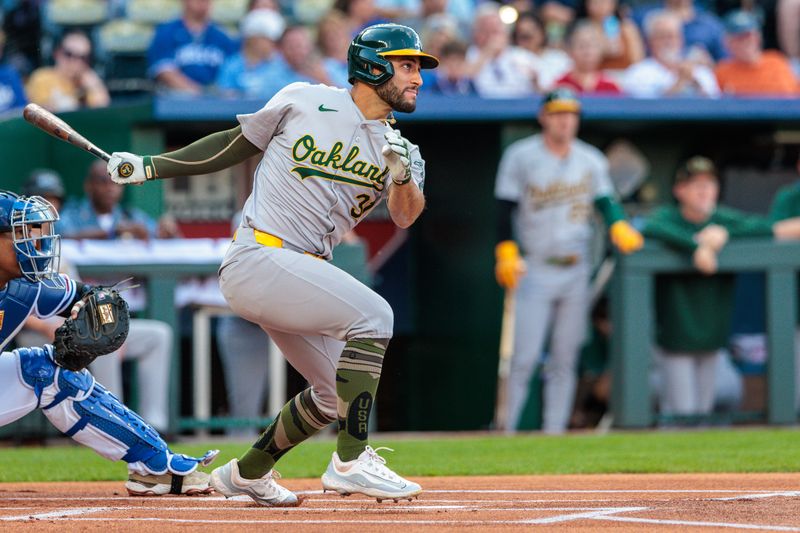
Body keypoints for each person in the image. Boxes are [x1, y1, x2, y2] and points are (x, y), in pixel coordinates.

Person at [105, 23, 437, 506]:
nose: (418, 78)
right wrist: (151, 165)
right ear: (373, 65)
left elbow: (407, 215)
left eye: (418, 68)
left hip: (300, 272)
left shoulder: (402, 148)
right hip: (260, 254)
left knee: (329, 397)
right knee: (376, 316)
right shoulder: (306, 99)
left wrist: (403, 175)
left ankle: (247, 473)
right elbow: (231, 144)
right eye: (407, 65)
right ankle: (352, 461)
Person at [0, 190, 218, 496]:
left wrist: (89, 310)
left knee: (48, 372)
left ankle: (154, 466)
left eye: (35, 234)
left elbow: (93, 296)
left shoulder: (27, 288)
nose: (35, 245)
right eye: (20, 235)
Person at [493, 87, 644, 434]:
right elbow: (505, 207)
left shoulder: (590, 159)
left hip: (576, 270)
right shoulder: (521, 155)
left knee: (565, 358)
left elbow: (606, 201)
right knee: (524, 359)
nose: (565, 121)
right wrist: (506, 248)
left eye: (571, 114)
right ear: (544, 117)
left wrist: (618, 224)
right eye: (558, 114)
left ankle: (554, 433)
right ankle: (505, 432)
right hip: (535, 266)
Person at [643, 156, 800, 418]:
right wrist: (697, 247)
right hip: (674, 338)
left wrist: (725, 234)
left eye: (709, 184)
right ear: (679, 190)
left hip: (712, 337)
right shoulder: (668, 217)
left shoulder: (723, 220)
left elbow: (765, 228)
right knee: (681, 412)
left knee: (704, 412)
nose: (704, 190)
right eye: (695, 185)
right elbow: (650, 226)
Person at [19, 168, 174, 433]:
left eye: (52, 201)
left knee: (156, 334)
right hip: (39, 334)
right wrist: (49, 327)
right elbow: (13, 304)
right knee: (100, 343)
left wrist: (109, 330)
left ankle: (154, 426)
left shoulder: (57, 251)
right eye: (40, 201)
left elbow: (78, 298)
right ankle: (116, 425)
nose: (47, 208)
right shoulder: (15, 250)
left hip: (75, 329)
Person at [58, 161, 180, 241]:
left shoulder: (130, 215)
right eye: (103, 182)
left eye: (117, 183)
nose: (110, 188)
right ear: (88, 185)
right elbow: (60, 237)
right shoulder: (72, 214)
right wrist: (112, 232)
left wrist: (168, 232)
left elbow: (164, 237)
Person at [621, 10, 720, 98]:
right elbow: (647, 111)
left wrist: (695, 83)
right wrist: (680, 82)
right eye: (661, 37)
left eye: (672, 36)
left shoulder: (701, 72)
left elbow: (716, 109)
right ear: (649, 42)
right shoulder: (638, 73)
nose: (668, 42)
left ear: (681, 40)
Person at [148, 0, 238, 95]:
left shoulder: (222, 37)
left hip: (216, 100)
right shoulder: (166, 33)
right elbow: (165, 73)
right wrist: (199, 94)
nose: (202, 2)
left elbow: (233, 72)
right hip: (175, 100)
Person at [715, 10, 799, 96]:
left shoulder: (777, 62)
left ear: (758, 37)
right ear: (727, 42)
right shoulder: (722, 72)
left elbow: (794, 95)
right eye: (739, 38)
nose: (745, 42)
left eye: (749, 36)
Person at [25, 31, 110, 112]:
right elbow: (40, 113)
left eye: (82, 57)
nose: (75, 61)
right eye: (69, 54)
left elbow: (102, 113)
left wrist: (95, 87)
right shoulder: (42, 77)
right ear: (57, 53)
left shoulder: (88, 81)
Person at [215, 8, 290, 98]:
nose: (272, 45)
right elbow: (224, 94)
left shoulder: (280, 64)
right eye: (267, 40)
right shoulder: (233, 65)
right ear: (253, 39)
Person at [554, 21, 622, 94]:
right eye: (581, 46)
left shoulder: (610, 88)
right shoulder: (560, 87)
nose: (587, 52)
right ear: (569, 50)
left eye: (593, 46)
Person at [581, 0, 645, 71]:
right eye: (596, 2)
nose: (601, 5)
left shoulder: (627, 27)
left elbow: (638, 59)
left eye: (605, 1)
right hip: (596, 75)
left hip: (625, 74)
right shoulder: (582, 29)